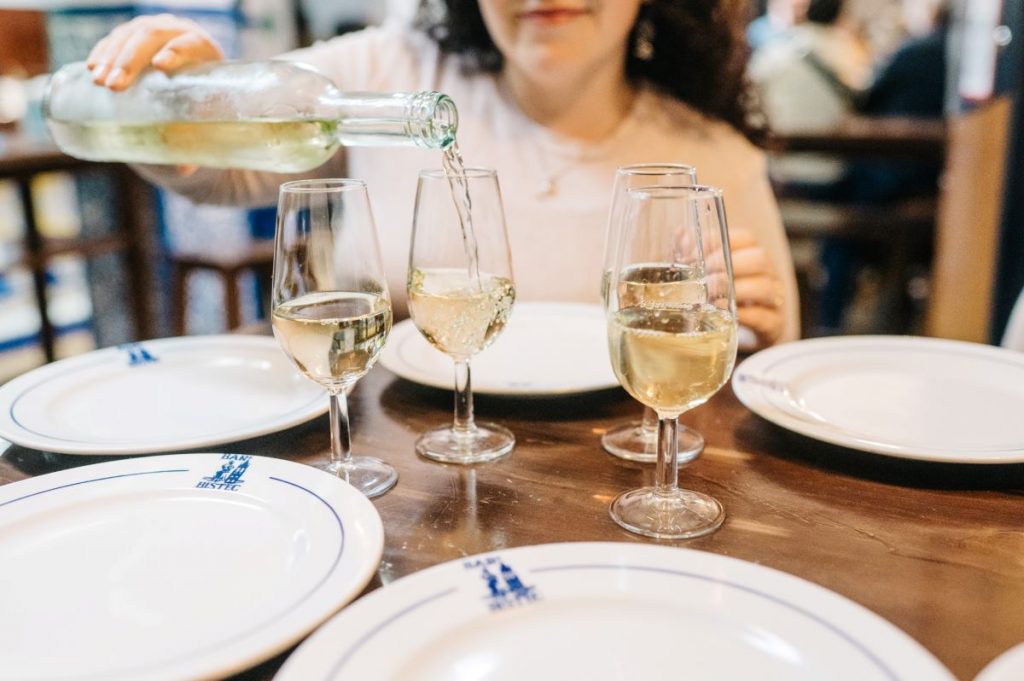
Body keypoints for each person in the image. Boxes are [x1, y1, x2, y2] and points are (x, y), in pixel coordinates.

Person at [84, 0, 799, 348]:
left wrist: (756, 327)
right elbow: (216, 172)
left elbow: (776, 345)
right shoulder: (384, 74)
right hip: (396, 485)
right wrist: (188, 97)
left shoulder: (712, 153)